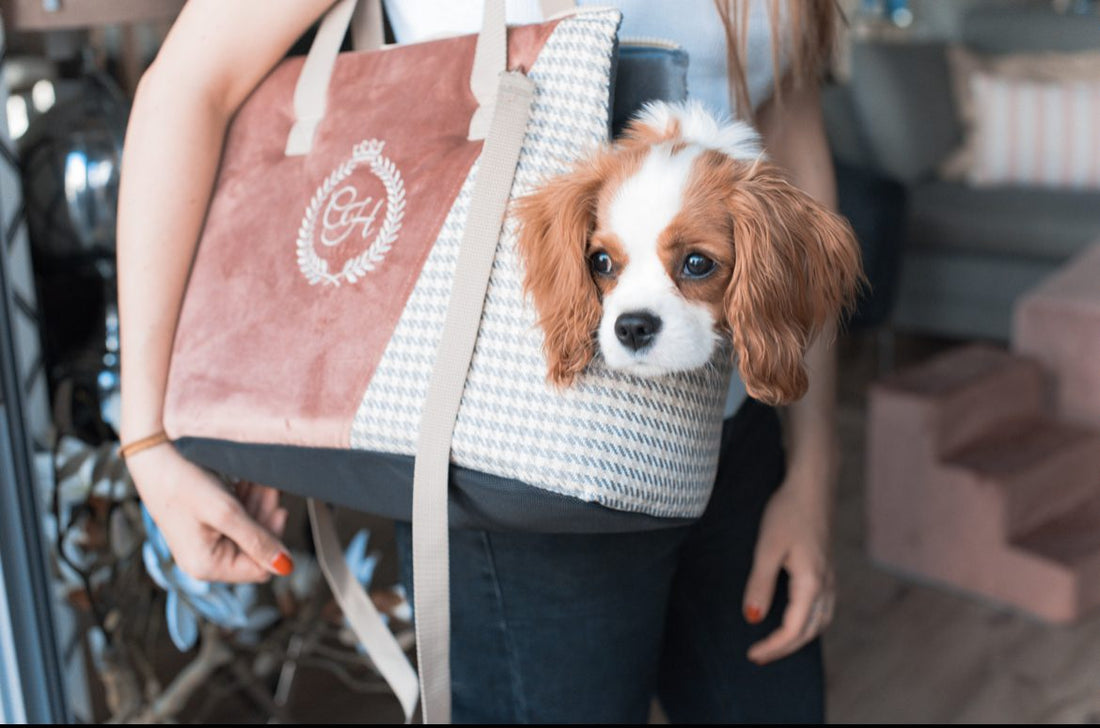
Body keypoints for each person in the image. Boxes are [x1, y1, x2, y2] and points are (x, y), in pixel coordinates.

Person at [117, 0, 844, 722]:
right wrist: (146, 437)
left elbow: (783, 122)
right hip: (516, 462)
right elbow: (188, 83)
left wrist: (812, 469)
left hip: (737, 431)